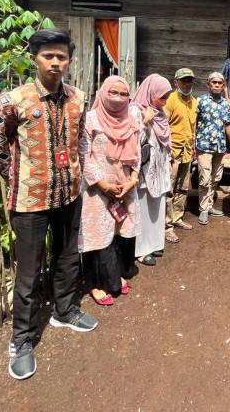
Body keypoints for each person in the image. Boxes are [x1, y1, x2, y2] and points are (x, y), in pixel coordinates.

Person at [0, 28, 98, 381]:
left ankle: (64, 311)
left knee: (67, 259)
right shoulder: (13, 99)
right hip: (29, 201)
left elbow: (81, 140)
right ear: (34, 57)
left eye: (62, 56)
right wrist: (20, 179)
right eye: (48, 55)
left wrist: (75, 176)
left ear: (69, 60)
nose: (55, 62)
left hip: (68, 195)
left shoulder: (79, 98)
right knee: (28, 273)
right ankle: (21, 340)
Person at [78, 76, 141, 306]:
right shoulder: (91, 119)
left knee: (118, 232)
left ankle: (116, 276)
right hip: (98, 189)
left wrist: (132, 181)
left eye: (123, 94)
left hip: (125, 187)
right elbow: (83, 154)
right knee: (98, 236)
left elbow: (138, 153)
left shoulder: (133, 118)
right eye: (113, 92)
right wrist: (103, 185)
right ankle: (97, 284)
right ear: (103, 93)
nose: (118, 98)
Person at [129, 74, 172, 267]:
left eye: (166, 97)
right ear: (150, 92)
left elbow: (165, 141)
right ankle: (141, 250)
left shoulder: (160, 112)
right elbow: (131, 141)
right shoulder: (135, 111)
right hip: (144, 170)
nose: (164, 101)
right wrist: (145, 122)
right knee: (143, 208)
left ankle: (154, 243)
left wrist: (168, 160)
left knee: (157, 206)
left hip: (160, 167)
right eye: (161, 96)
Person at [195, 72, 230, 225]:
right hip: (203, 145)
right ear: (208, 84)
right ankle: (203, 209)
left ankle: (210, 205)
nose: (217, 85)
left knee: (216, 178)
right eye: (214, 83)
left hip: (220, 146)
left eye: (220, 83)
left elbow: (228, 125)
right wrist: (192, 144)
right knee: (204, 179)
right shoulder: (200, 101)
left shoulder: (226, 104)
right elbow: (194, 123)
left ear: (223, 85)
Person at [164, 68, 197, 243]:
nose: (187, 83)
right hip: (173, 151)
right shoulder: (170, 100)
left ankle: (177, 218)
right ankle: (167, 226)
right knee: (169, 189)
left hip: (187, 151)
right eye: (183, 80)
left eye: (189, 80)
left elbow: (193, 127)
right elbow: (163, 127)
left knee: (183, 187)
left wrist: (193, 147)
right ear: (175, 82)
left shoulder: (193, 101)